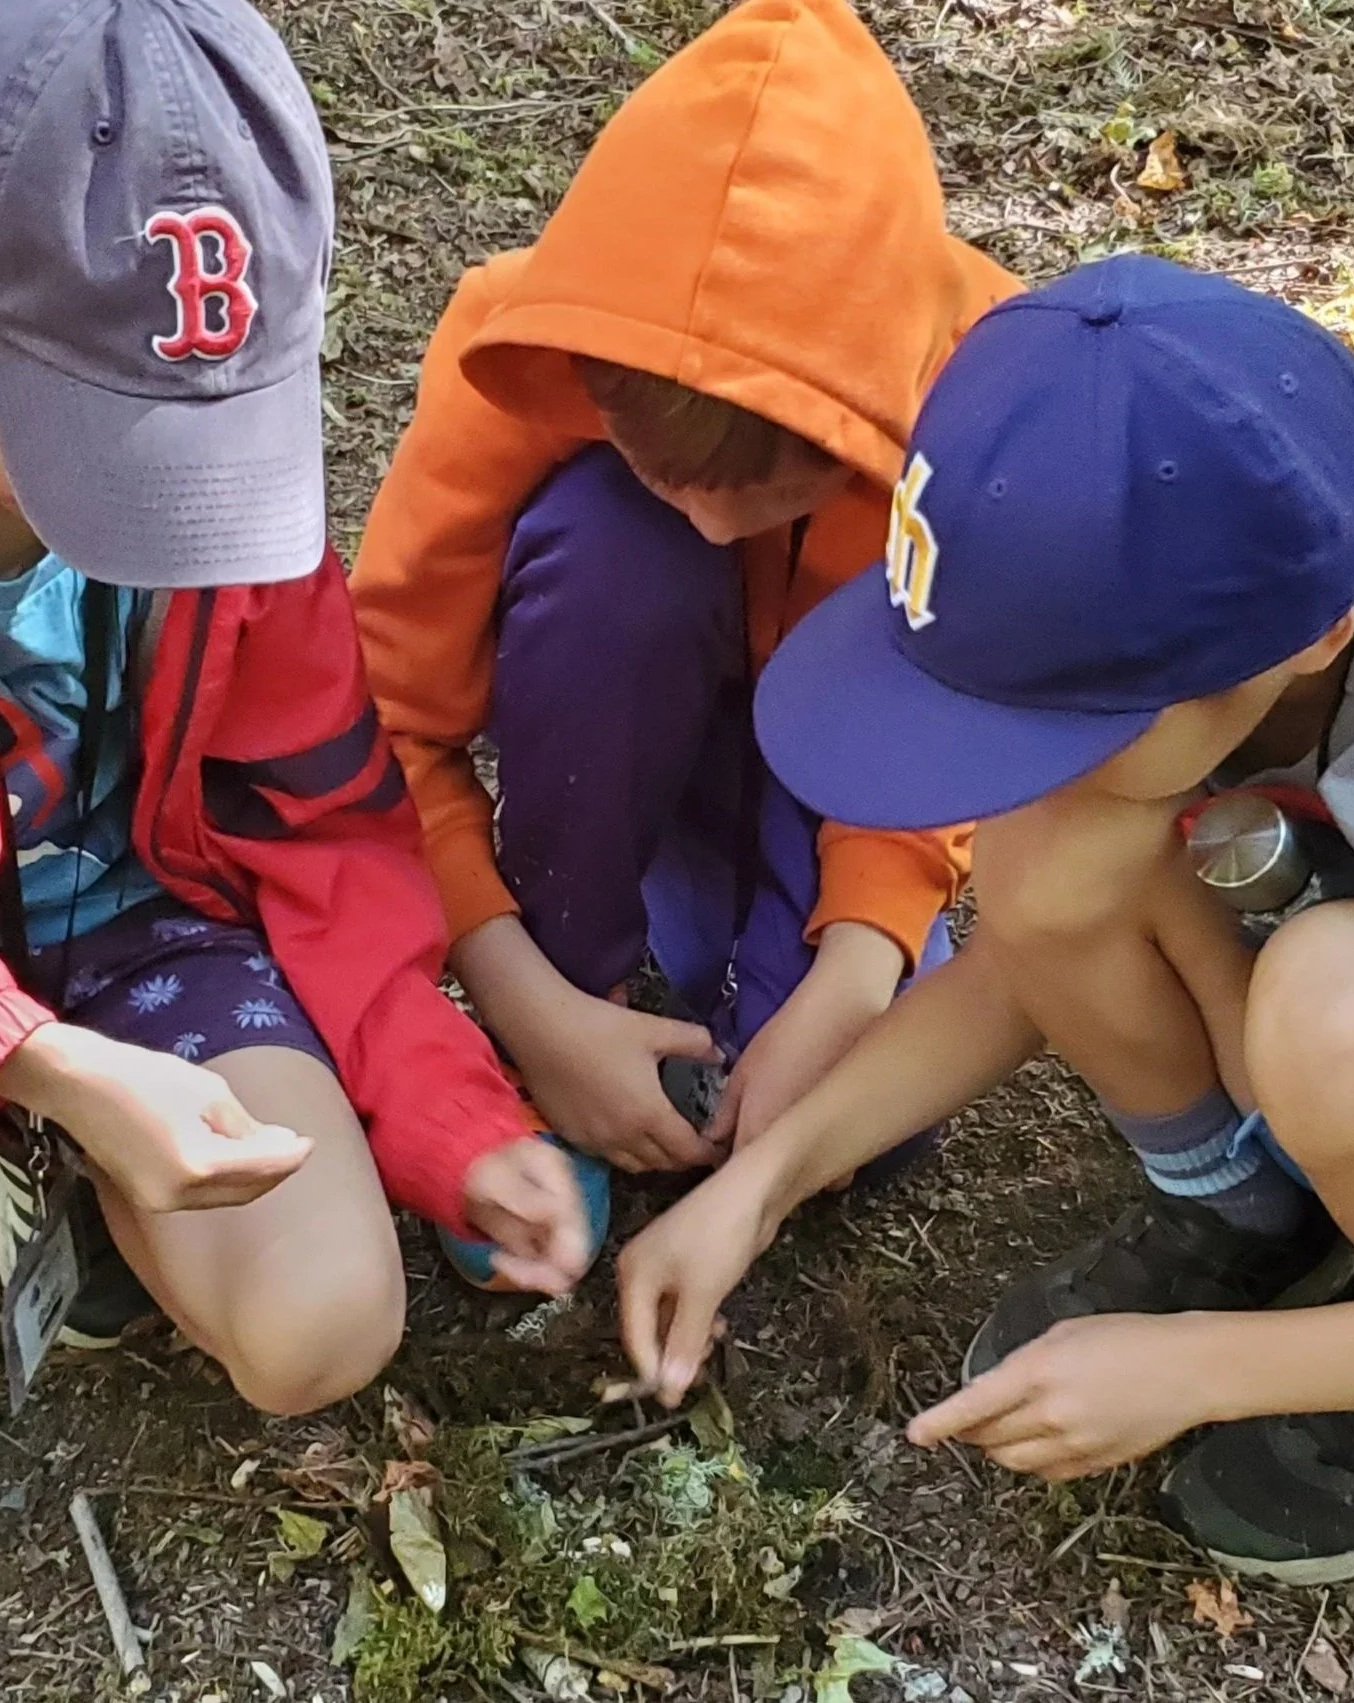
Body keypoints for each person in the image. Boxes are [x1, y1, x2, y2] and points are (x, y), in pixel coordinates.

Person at [0, 1, 589, 1694]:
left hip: (136, 929)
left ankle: (77, 1161)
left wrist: (445, 1109)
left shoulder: (212, 452)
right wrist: (26, 1053)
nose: (169, 501)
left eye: (203, 438)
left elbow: (322, 812)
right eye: (104, 438)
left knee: (319, 1324)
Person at [628, 252, 1354, 1586]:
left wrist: (1205, 1367)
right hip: (1343, 984)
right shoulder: (1243, 585)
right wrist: (759, 1182)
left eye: (1069, 721)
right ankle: (1247, 1208)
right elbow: (1019, 947)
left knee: (1341, 1009)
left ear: (1312, 637)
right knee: (1053, 844)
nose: (1024, 761)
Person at [350, 0, 1018, 1243]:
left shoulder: (978, 394)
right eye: (670, 476)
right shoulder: (526, 347)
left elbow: (942, 714)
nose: (714, 529)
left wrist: (856, 961)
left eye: (769, 494)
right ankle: (582, 991)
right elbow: (386, 719)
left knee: (864, 1118)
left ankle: (720, 977)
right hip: (618, 706)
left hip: (836, 760)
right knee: (618, 545)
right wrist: (528, 1002)